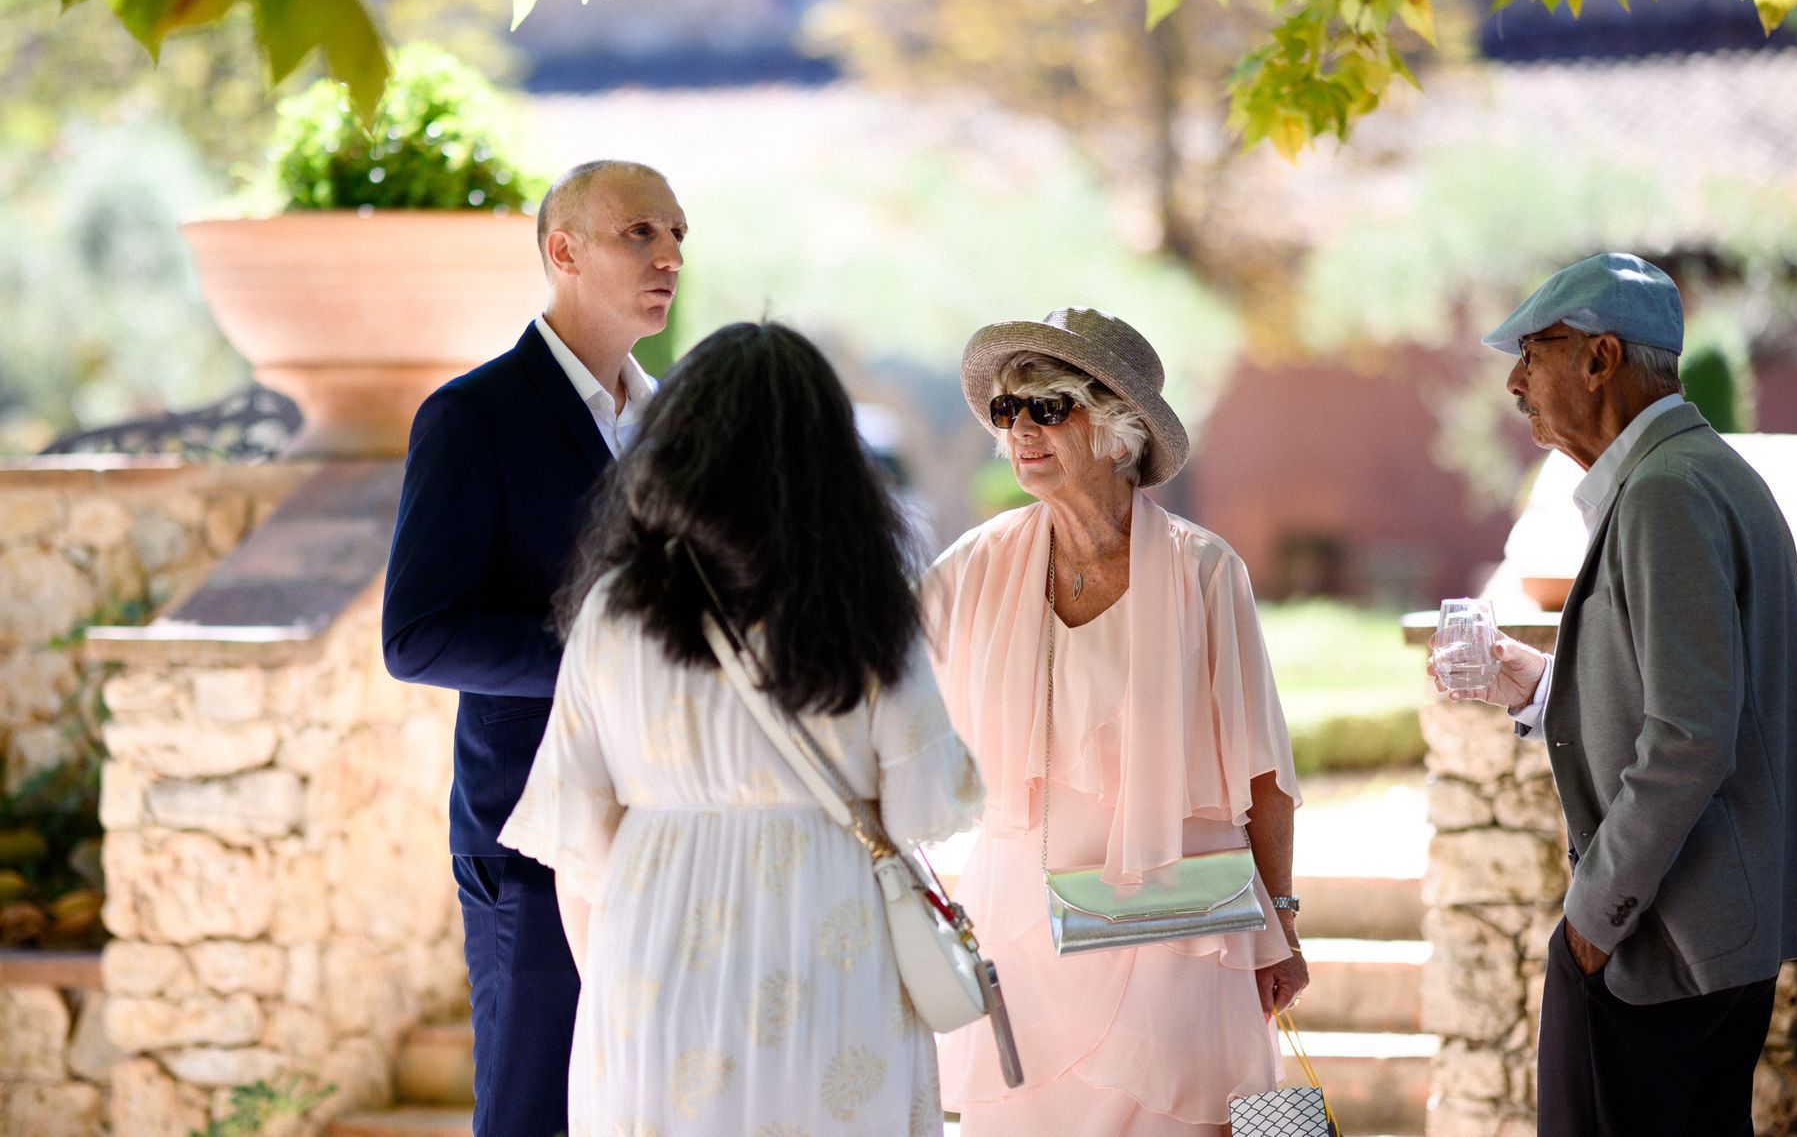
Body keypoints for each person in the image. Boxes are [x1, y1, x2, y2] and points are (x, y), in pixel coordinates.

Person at [496, 321, 984, 1135]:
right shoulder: (866, 603)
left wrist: (622, 993)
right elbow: (924, 808)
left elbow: (578, 850)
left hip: (651, 969)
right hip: (833, 966)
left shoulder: (615, 610)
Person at [1448, 253, 1797, 1137]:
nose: (1515, 380)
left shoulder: (1667, 495)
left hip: (1657, 944)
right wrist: (1535, 686)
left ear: (1601, 359)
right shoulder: (1687, 477)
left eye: (1535, 351)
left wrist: (1592, 922)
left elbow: (1688, 739)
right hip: (1688, 940)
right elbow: (1687, 698)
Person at [922, 307, 1309, 1136]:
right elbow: (871, 685)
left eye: (1049, 406)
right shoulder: (972, 567)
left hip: (1180, 928)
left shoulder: (1207, 572)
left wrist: (1282, 924)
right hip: (1023, 936)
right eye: (1007, 410)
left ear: (1119, 425)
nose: (1022, 429)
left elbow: (1265, 772)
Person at [381, 160, 686, 1137]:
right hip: (527, 838)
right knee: (530, 1117)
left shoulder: (678, 424)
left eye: (679, 235)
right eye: (641, 233)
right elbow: (418, 638)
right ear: (564, 251)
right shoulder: (472, 418)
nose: (671, 255)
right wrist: (602, 659)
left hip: (673, 828)